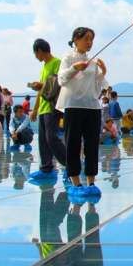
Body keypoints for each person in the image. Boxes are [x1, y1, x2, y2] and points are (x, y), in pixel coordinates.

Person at [58, 27, 107, 197]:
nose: (89, 42)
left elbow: (97, 86)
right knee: (73, 144)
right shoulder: (68, 58)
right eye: (86, 38)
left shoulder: (92, 62)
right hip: (73, 106)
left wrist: (102, 74)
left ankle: (91, 181)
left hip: (92, 107)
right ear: (76, 40)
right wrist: (74, 68)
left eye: (91, 39)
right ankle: (76, 182)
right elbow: (61, 79)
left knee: (92, 144)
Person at [29, 39, 68, 182]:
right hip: (43, 108)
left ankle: (69, 164)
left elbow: (59, 82)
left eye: (35, 53)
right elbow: (41, 90)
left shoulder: (57, 63)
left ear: (39, 50)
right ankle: (46, 169)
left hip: (53, 106)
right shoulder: (44, 66)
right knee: (43, 140)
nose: (36, 57)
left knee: (51, 137)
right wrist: (35, 109)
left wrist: (42, 85)